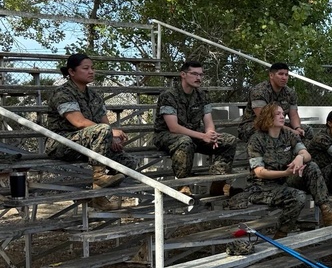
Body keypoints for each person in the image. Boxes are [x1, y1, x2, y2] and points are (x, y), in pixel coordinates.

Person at [243, 102, 332, 238]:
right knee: (298, 196)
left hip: (285, 180)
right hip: (263, 187)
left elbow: (307, 155)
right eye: (278, 114)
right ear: (268, 117)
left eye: (283, 113)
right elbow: (259, 172)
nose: (283, 116)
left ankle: (327, 212)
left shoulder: (288, 134)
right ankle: (281, 235)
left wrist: (299, 158)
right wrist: (286, 173)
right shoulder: (256, 140)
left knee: (311, 166)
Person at [45, 53, 138, 190]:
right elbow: (79, 122)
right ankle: (99, 176)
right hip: (61, 143)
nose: (91, 71)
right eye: (86, 68)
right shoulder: (62, 93)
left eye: (92, 68)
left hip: (89, 143)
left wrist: (111, 139)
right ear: (71, 72)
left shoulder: (94, 95)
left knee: (128, 163)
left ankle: (99, 195)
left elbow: (104, 123)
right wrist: (110, 132)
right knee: (104, 130)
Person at [153, 59, 237, 197]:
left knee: (228, 140)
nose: (198, 78)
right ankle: (183, 185)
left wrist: (210, 133)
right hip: (166, 135)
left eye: (201, 75)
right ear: (183, 74)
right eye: (194, 74)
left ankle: (218, 182)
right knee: (185, 141)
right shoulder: (169, 95)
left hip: (194, 135)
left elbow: (208, 121)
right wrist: (203, 136)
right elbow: (173, 127)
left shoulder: (202, 95)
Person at [238, 62, 311, 142]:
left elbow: (293, 115)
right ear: (271, 75)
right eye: (280, 74)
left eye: (286, 75)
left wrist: (297, 128)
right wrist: (291, 131)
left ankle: (301, 152)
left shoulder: (290, 93)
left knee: (306, 130)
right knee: (272, 131)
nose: (284, 77)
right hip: (255, 126)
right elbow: (265, 119)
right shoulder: (259, 91)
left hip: (278, 124)